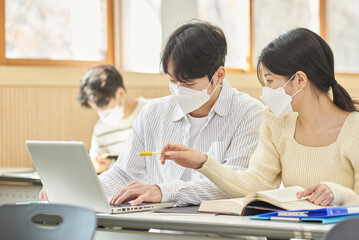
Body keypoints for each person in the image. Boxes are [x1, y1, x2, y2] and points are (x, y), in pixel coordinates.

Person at [40, 21, 263, 206]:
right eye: (173, 81)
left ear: (219, 75)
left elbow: (235, 185)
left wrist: (163, 191)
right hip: (163, 230)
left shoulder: (250, 114)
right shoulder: (154, 113)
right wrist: (75, 188)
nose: (178, 90)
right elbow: (124, 174)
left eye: (187, 83)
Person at [160, 28, 359, 207]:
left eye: (270, 81)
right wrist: (203, 162)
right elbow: (256, 183)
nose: (266, 90)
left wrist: (339, 194)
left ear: (299, 80)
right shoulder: (277, 122)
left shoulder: (354, 131)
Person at [77, 65, 149, 174]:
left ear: (120, 93)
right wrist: (98, 164)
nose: (103, 114)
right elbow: (95, 162)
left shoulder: (150, 111)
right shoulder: (101, 128)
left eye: (104, 108)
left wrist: (112, 166)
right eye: (98, 110)